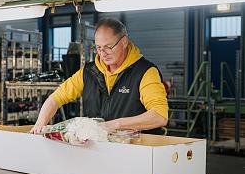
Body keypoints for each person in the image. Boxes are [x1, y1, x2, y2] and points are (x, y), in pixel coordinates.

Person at [30, 18, 168, 134]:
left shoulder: (144, 72)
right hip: (98, 149)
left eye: (108, 46)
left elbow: (159, 116)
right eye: (99, 48)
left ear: (124, 41)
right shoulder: (88, 72)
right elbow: (55, 98)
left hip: (137, 151)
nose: (103, 53)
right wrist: (39, 125)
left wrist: (115, 125)